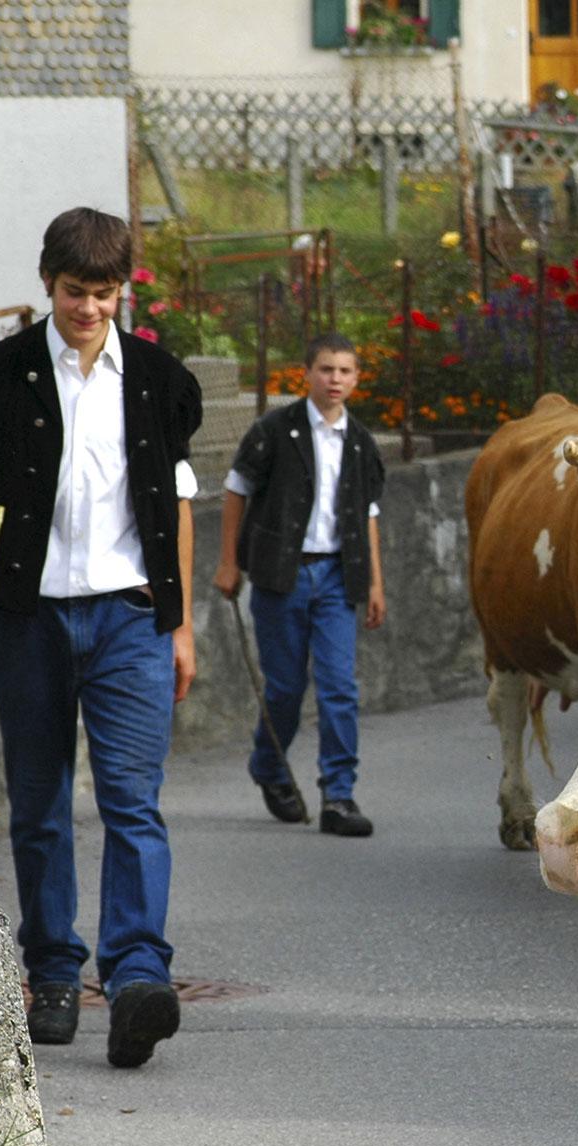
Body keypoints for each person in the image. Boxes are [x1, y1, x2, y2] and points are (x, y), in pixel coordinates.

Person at [0, 207, 203, 1068]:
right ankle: (53, 972)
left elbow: (178, 503)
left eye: (103, 292)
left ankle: (136, 978)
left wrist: (182, 622)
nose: (88, 308)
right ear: (46, 285)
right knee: (42, 802)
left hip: (130, 616)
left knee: (132, 802)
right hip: (28, 619)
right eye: (73, 291)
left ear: (123, 289)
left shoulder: (160, 380)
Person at [213, 335, 387, 837]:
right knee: (286, 688)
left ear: (356, 379)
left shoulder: (360, 442)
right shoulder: (275, 431)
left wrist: (374, 582)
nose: (335, 379)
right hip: (281, 576)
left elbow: (368, 514)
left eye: (345, 371)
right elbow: (235, 491)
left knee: (339, 687)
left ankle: (339, 795)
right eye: (326, 369)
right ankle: (269, 766)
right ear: (306, 374)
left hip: (337, 576)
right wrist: (229, 562)